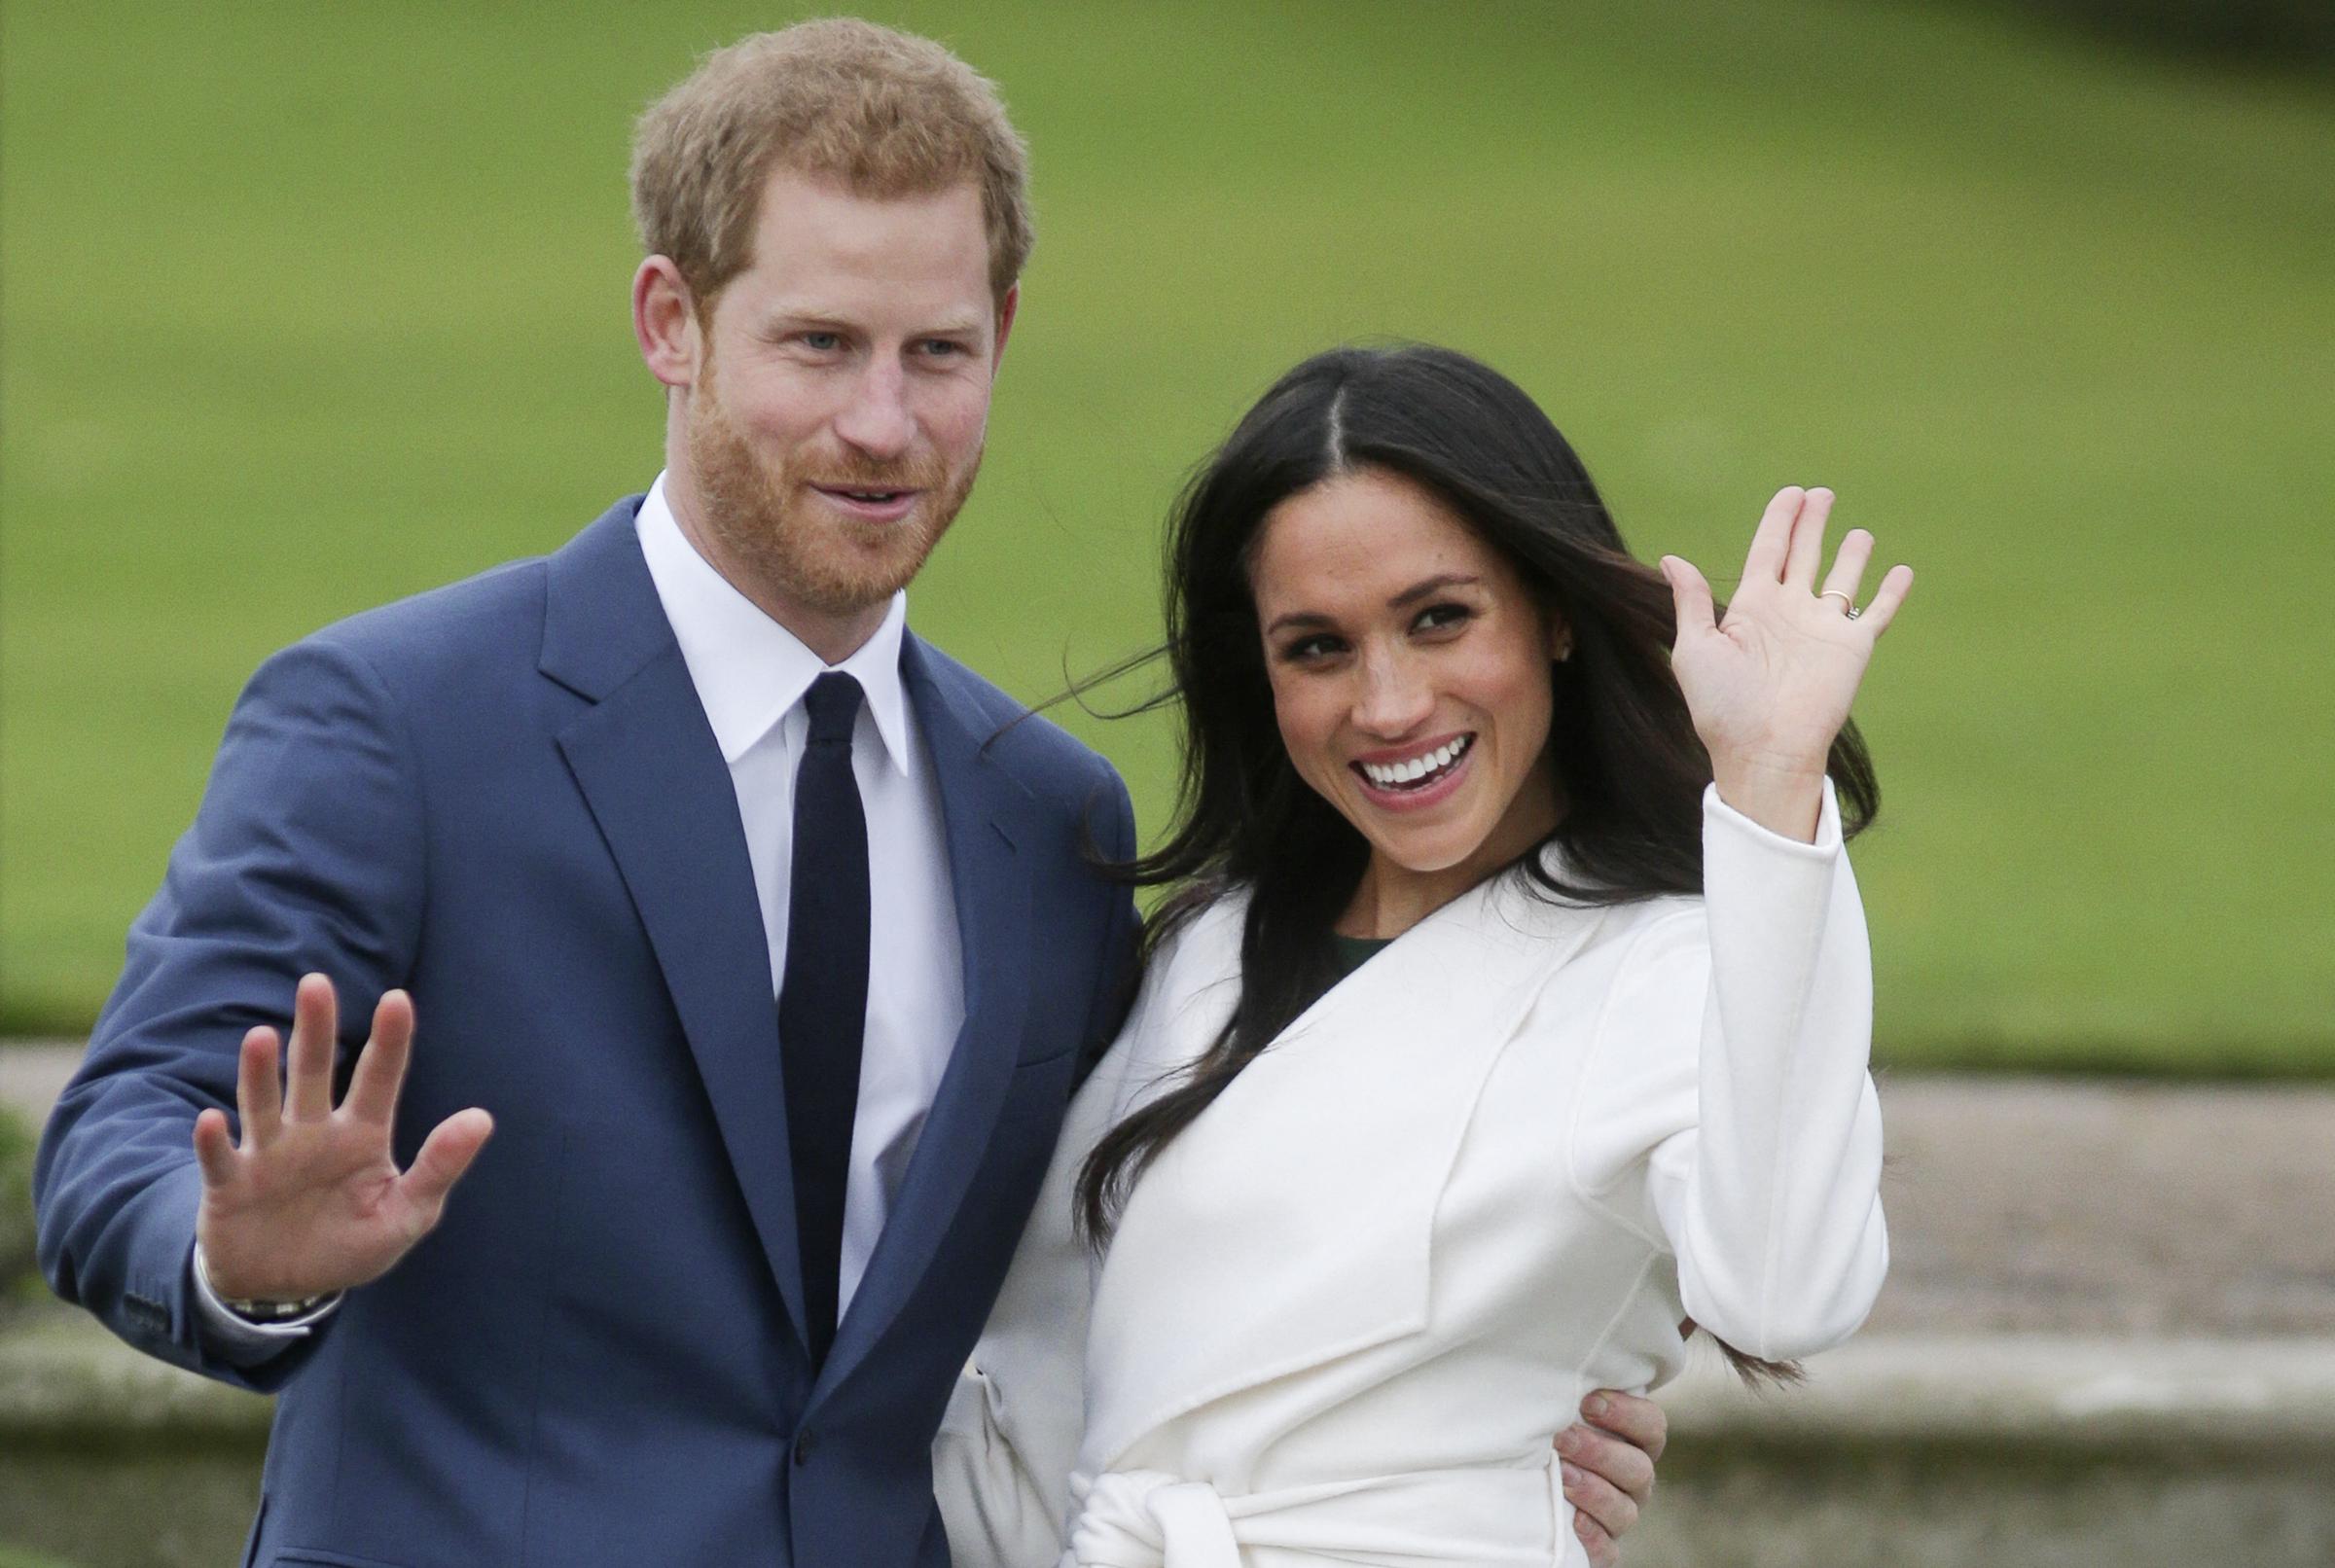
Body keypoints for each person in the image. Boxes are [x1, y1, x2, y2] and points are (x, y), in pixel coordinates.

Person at [31, 25, 1666, 1568]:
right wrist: (227, 1258)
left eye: (937, 352)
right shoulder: (395, 720)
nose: (884, 426)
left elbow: (1142, 1251)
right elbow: (122, 1128)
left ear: (1003, 338)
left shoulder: (1051, 821)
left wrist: (1472, 1410)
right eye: (819, 343)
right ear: (670, 319)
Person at [933, 344, 1910, 1566]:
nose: (1388, 705)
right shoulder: (1211, 943)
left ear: (1551, 613)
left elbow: (1787, 1293)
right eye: (1318, 647)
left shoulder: (1668, 965)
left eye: (1439, 619)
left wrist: (1770, 788)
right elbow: (1055, 1364)